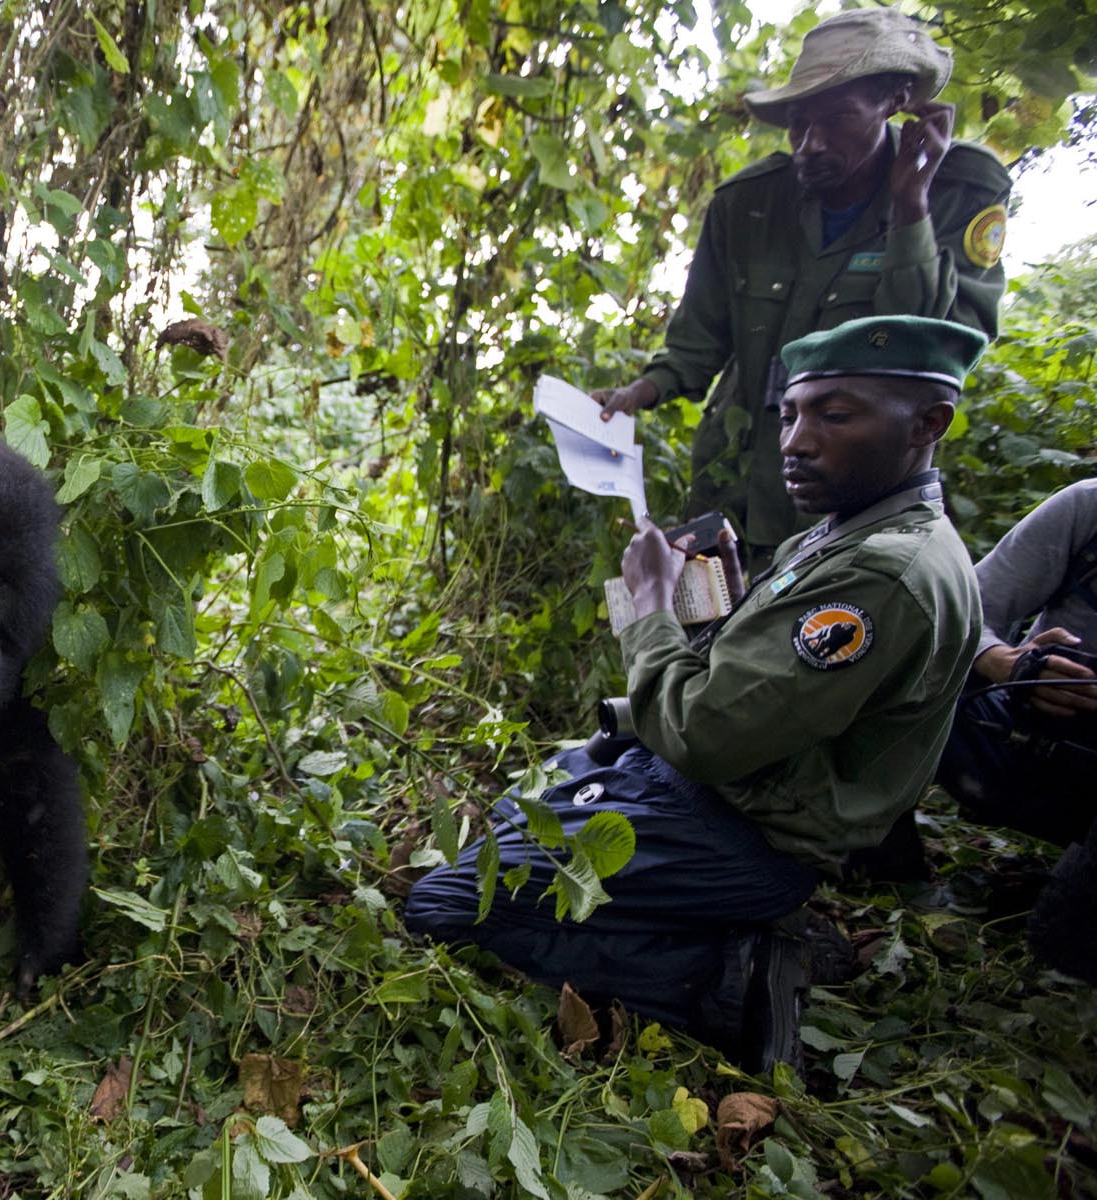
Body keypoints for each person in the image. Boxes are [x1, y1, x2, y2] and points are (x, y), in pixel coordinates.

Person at [406, 315, 986, 1071]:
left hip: (740, 829)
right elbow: (758, 680)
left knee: (445, 907)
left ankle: (732, 979)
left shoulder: (885, 571)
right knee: (523, 807)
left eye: (835, 415)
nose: (796, 441)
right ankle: (718, 928)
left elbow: (704, 733)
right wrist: (717, 596)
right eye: (790, 414)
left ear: (928, 423)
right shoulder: (846, 531)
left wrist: (647, 605)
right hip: (717, 790)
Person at [592, 8, 1010, 564]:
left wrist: (912, 207)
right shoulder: (749, 203)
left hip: (856, 502)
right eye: (798, 124)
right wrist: (637, 394)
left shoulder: (960, 191)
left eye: (837, 119)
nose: (810, 144)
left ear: (896, 102)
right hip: (736, 483)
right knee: (710, 637)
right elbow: (699, 339)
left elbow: (929, 355)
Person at [935, 479, 1097, 981]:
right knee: (892, 644)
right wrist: (1007, 662)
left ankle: (1067, 949)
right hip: (1024, 742)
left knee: (1063, 959)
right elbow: (962, 611)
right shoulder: (1088, 508)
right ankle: (878, 858)